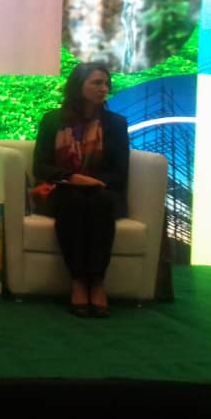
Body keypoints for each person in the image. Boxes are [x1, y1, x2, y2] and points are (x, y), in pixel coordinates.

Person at [32, 62, 129, 318]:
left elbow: (120, 171)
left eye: (106, 83)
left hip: (102, 190)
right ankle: (78, 281)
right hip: (62, 189)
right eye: (96, 83)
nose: (103, 88)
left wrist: (92, 181)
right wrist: (72, 177)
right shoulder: (53, 121)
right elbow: (40, 166)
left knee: (98, 202)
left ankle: (96, 282)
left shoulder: (116, 124)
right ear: (78, 86)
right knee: (74, 200)